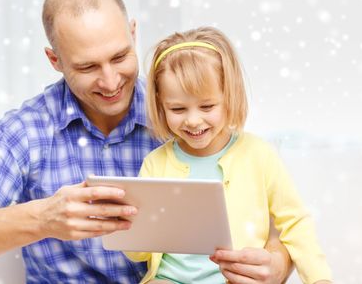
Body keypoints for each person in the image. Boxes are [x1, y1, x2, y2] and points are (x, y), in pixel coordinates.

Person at [0, 0, 292, 283]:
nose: (111, 81)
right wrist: (42, 219)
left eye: (120, 57)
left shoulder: (181, 113)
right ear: (54, 60)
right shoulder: (26, 131)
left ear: (133, 33)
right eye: (88, 67)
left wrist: (277, 263)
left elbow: (270, 213)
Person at [125, 26, 332, 284]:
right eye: (177, 108)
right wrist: (131, 230)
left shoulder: (259, 155)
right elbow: (140, 253)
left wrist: (319, 279)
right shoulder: (155, 163)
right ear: (160, 103)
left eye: (207, 106)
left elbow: (295, 221)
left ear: (229, 95)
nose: (192, 120)